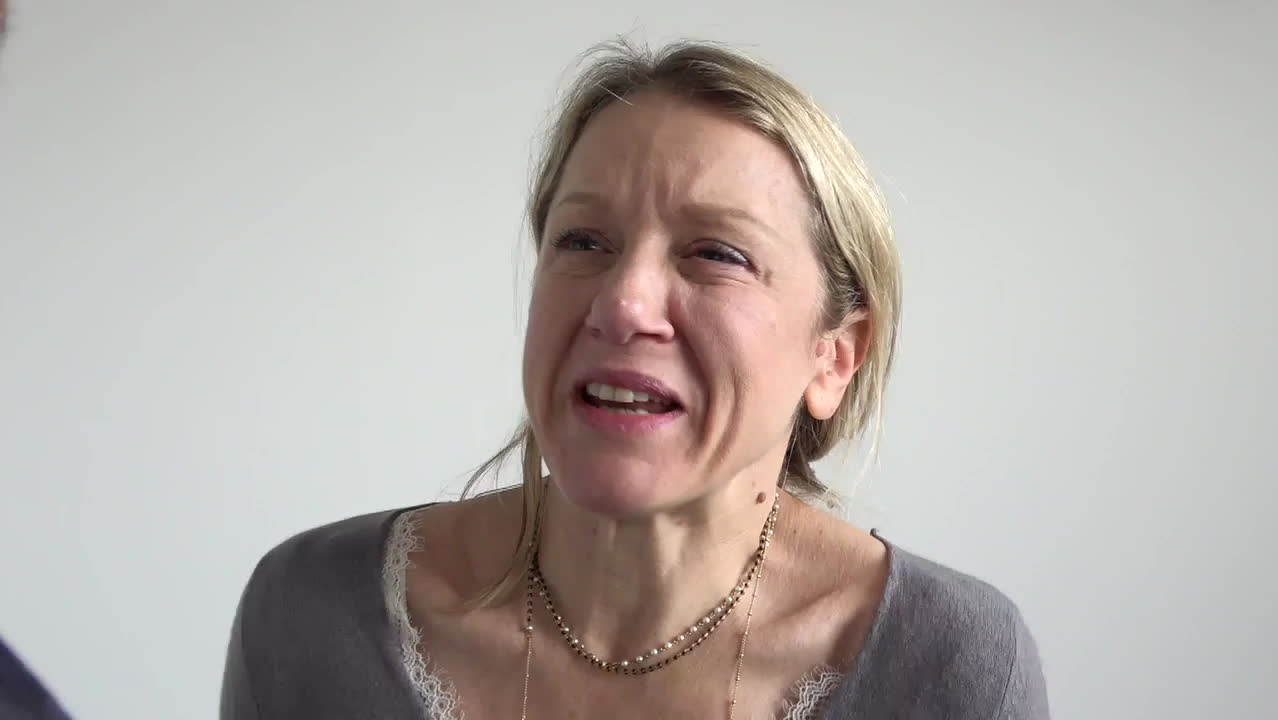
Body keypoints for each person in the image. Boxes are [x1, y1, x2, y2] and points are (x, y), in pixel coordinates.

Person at [221, 39, 1049, 719]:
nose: (622, 304)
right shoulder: (310, 616)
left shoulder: (955, 667)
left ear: (834, 356)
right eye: (584, 241)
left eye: (716, 253)